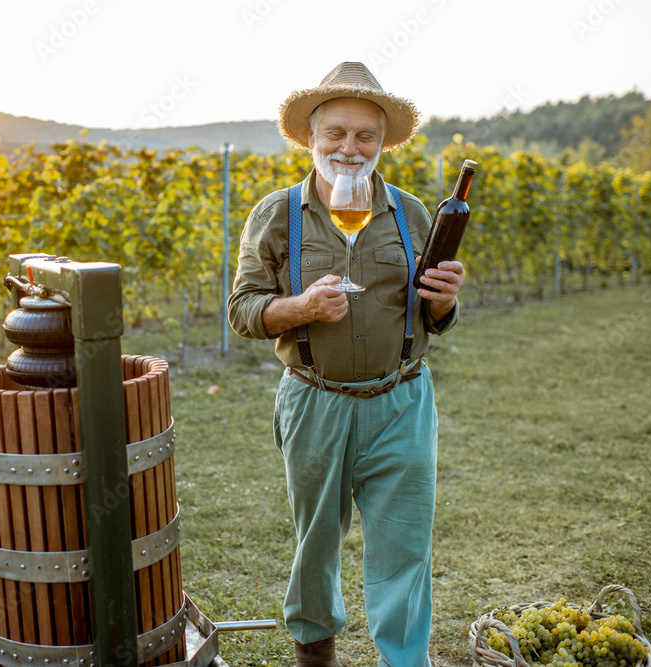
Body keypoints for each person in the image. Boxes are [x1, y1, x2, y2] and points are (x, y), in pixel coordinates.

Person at [227, 62, 465, 667]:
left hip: (402, 400)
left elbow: (429, 316)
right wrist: (300, 307)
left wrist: (446, 302)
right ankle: (316, 653)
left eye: (365, 136)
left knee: (406, 548)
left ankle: (405, 660)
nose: (349, 148)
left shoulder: (413, 214)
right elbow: (243, 310)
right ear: (311, 135)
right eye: (336, 132)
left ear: (383, 142)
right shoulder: (276, 214)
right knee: (316, 543)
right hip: (315, 400)